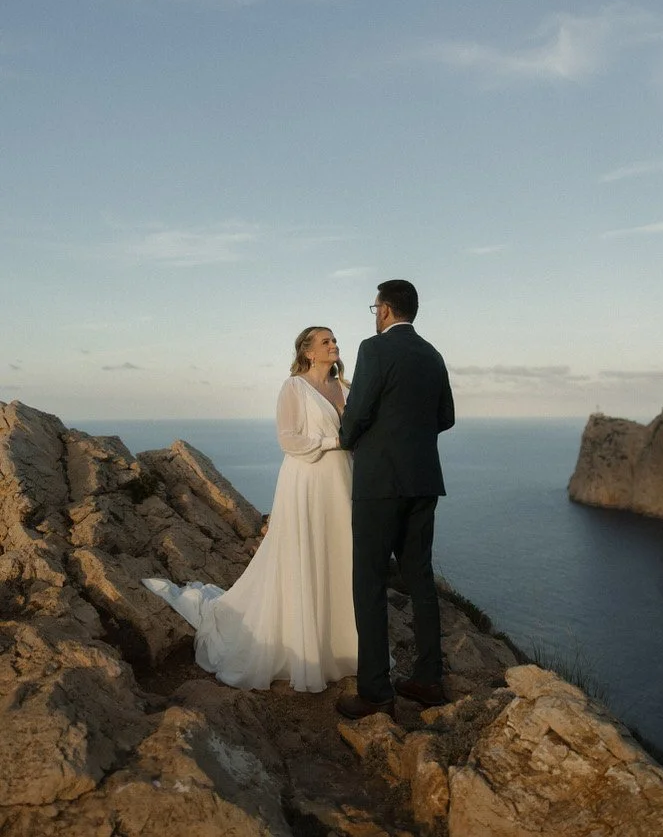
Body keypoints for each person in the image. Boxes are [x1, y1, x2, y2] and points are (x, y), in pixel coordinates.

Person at [142, 327, 359, 691]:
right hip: (307, 480)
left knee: (340, 555)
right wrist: (334, 440)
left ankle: (342, 646)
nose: (334, 344)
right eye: (326, 341)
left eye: (335, 339)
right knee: (304, 555)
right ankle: (303, 648)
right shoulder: (294, 387)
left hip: (343, 481)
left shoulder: (348, 388)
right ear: (307, 351)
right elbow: (289, 439)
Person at [335, 279, 455, 719]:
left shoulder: (374, 349)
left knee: (369, 580)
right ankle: (428, 680)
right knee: (419, 578)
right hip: (424, 480)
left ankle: (375, 692)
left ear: (384, 310)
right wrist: (411, 437)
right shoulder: (433, 354)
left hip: (380, 481)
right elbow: (446, 416)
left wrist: (350, 440)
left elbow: (358, 410)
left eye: (375, 307)